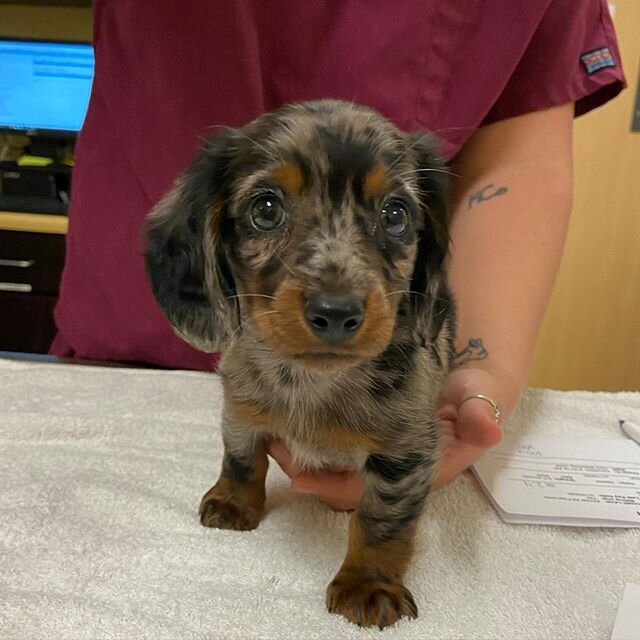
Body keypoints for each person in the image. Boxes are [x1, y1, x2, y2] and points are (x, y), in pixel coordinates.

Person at [51, 1, 625, 509]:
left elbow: (518, 154)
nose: (332, 294)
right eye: (268, 210)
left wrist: (481, 368)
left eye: (393, 215)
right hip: (129, 357)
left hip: (385, 377)